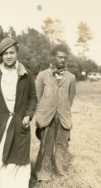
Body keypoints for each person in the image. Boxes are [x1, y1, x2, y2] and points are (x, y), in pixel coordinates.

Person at [0, 38, 37, 188]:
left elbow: (33, 97)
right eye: (5, 53)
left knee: (17, 155)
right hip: (1, 122)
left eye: (11, 53)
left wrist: (28, 115)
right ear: (1, 55)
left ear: (17, 53)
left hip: (19, 121)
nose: (8, 56)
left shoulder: (26, 74)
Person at [34, 44, 76, 181]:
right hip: (46, 117)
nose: (62, 60)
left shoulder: (71, 77)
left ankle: (60, 174)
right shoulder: (42, 75)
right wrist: (41, 115)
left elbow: (70, 99)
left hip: (63, 117)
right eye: (59, 57)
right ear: (53, 57)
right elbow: (37, 98)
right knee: (46, 145)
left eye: (65, 58)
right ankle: (43, 174)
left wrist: (63, 111)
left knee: (62, 146)